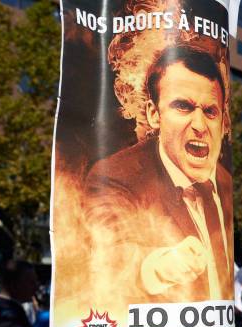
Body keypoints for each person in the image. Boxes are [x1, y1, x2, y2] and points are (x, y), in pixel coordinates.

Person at [84, 44, 233, 302]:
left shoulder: (226, 183)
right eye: (183, 106)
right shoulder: (115, 176)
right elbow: (108, 257)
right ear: (154, 115)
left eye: (210, 111)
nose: (199, 125)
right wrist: (158, 267)